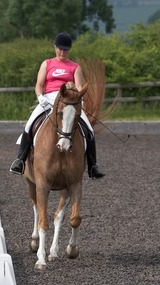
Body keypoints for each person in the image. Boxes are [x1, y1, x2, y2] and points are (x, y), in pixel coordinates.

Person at [10, 32, 105, 178]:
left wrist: (79, 99)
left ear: (69, 50)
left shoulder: (75, 67)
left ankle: (93, 166)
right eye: (60, 49)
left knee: (89, 130)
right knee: (29, 125)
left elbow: (79, 87)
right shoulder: (47, 64)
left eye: (65, 49)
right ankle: (20, 160)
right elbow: (39, 84)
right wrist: (41, 98)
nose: (62, 52)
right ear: (55, 47)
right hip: (48, 99)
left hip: (69, 102)